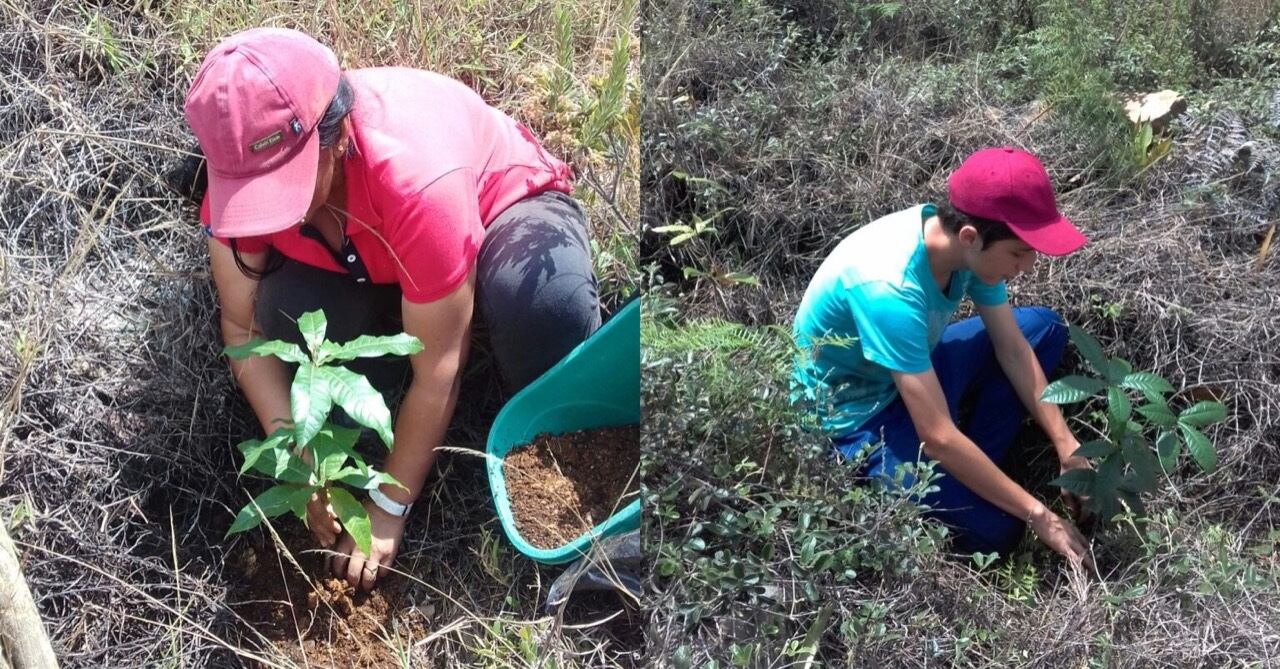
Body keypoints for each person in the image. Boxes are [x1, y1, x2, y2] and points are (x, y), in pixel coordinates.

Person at [182, 28, 602, 590]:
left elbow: (438, 372)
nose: (264, 220)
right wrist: (302, 460)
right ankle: (415, 309)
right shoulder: (239, 172)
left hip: (499, 210)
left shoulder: (416, 181)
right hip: (371, 252)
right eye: (250, 196)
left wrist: (387, 505)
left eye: (281, 190)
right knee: (287, 315)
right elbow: (243, 326)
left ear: (335, 136)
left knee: (545, 312)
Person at [791, 147, 1095, 567]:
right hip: (858, 416)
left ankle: (975, 468)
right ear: (970, 236)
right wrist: (1039, 515)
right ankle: (972, 478)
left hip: (912, 369)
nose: (1026, 267)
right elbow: (935, 436)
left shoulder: (961, 247)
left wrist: (1066, 442)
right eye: (1018, 253)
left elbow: (1010, 346)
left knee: (1043, 329)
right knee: (997, 534)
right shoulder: (890, 289)